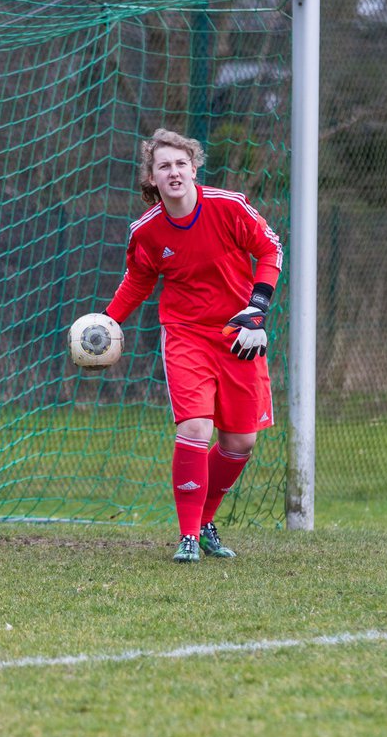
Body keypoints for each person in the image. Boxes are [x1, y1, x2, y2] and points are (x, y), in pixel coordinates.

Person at [103, 128, 282, 563]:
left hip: (239, 333)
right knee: (195, 429)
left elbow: (270, 250)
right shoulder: (146, 232)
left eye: (181, 163)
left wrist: (257, 309)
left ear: (194, 168)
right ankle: (186, 536)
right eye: (164, 166)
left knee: (240, 443)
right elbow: (139, 281)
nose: (174, 172)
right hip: (185, 335)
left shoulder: (228, 207)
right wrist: (108, 323)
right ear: (153, 177)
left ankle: (205, 522)